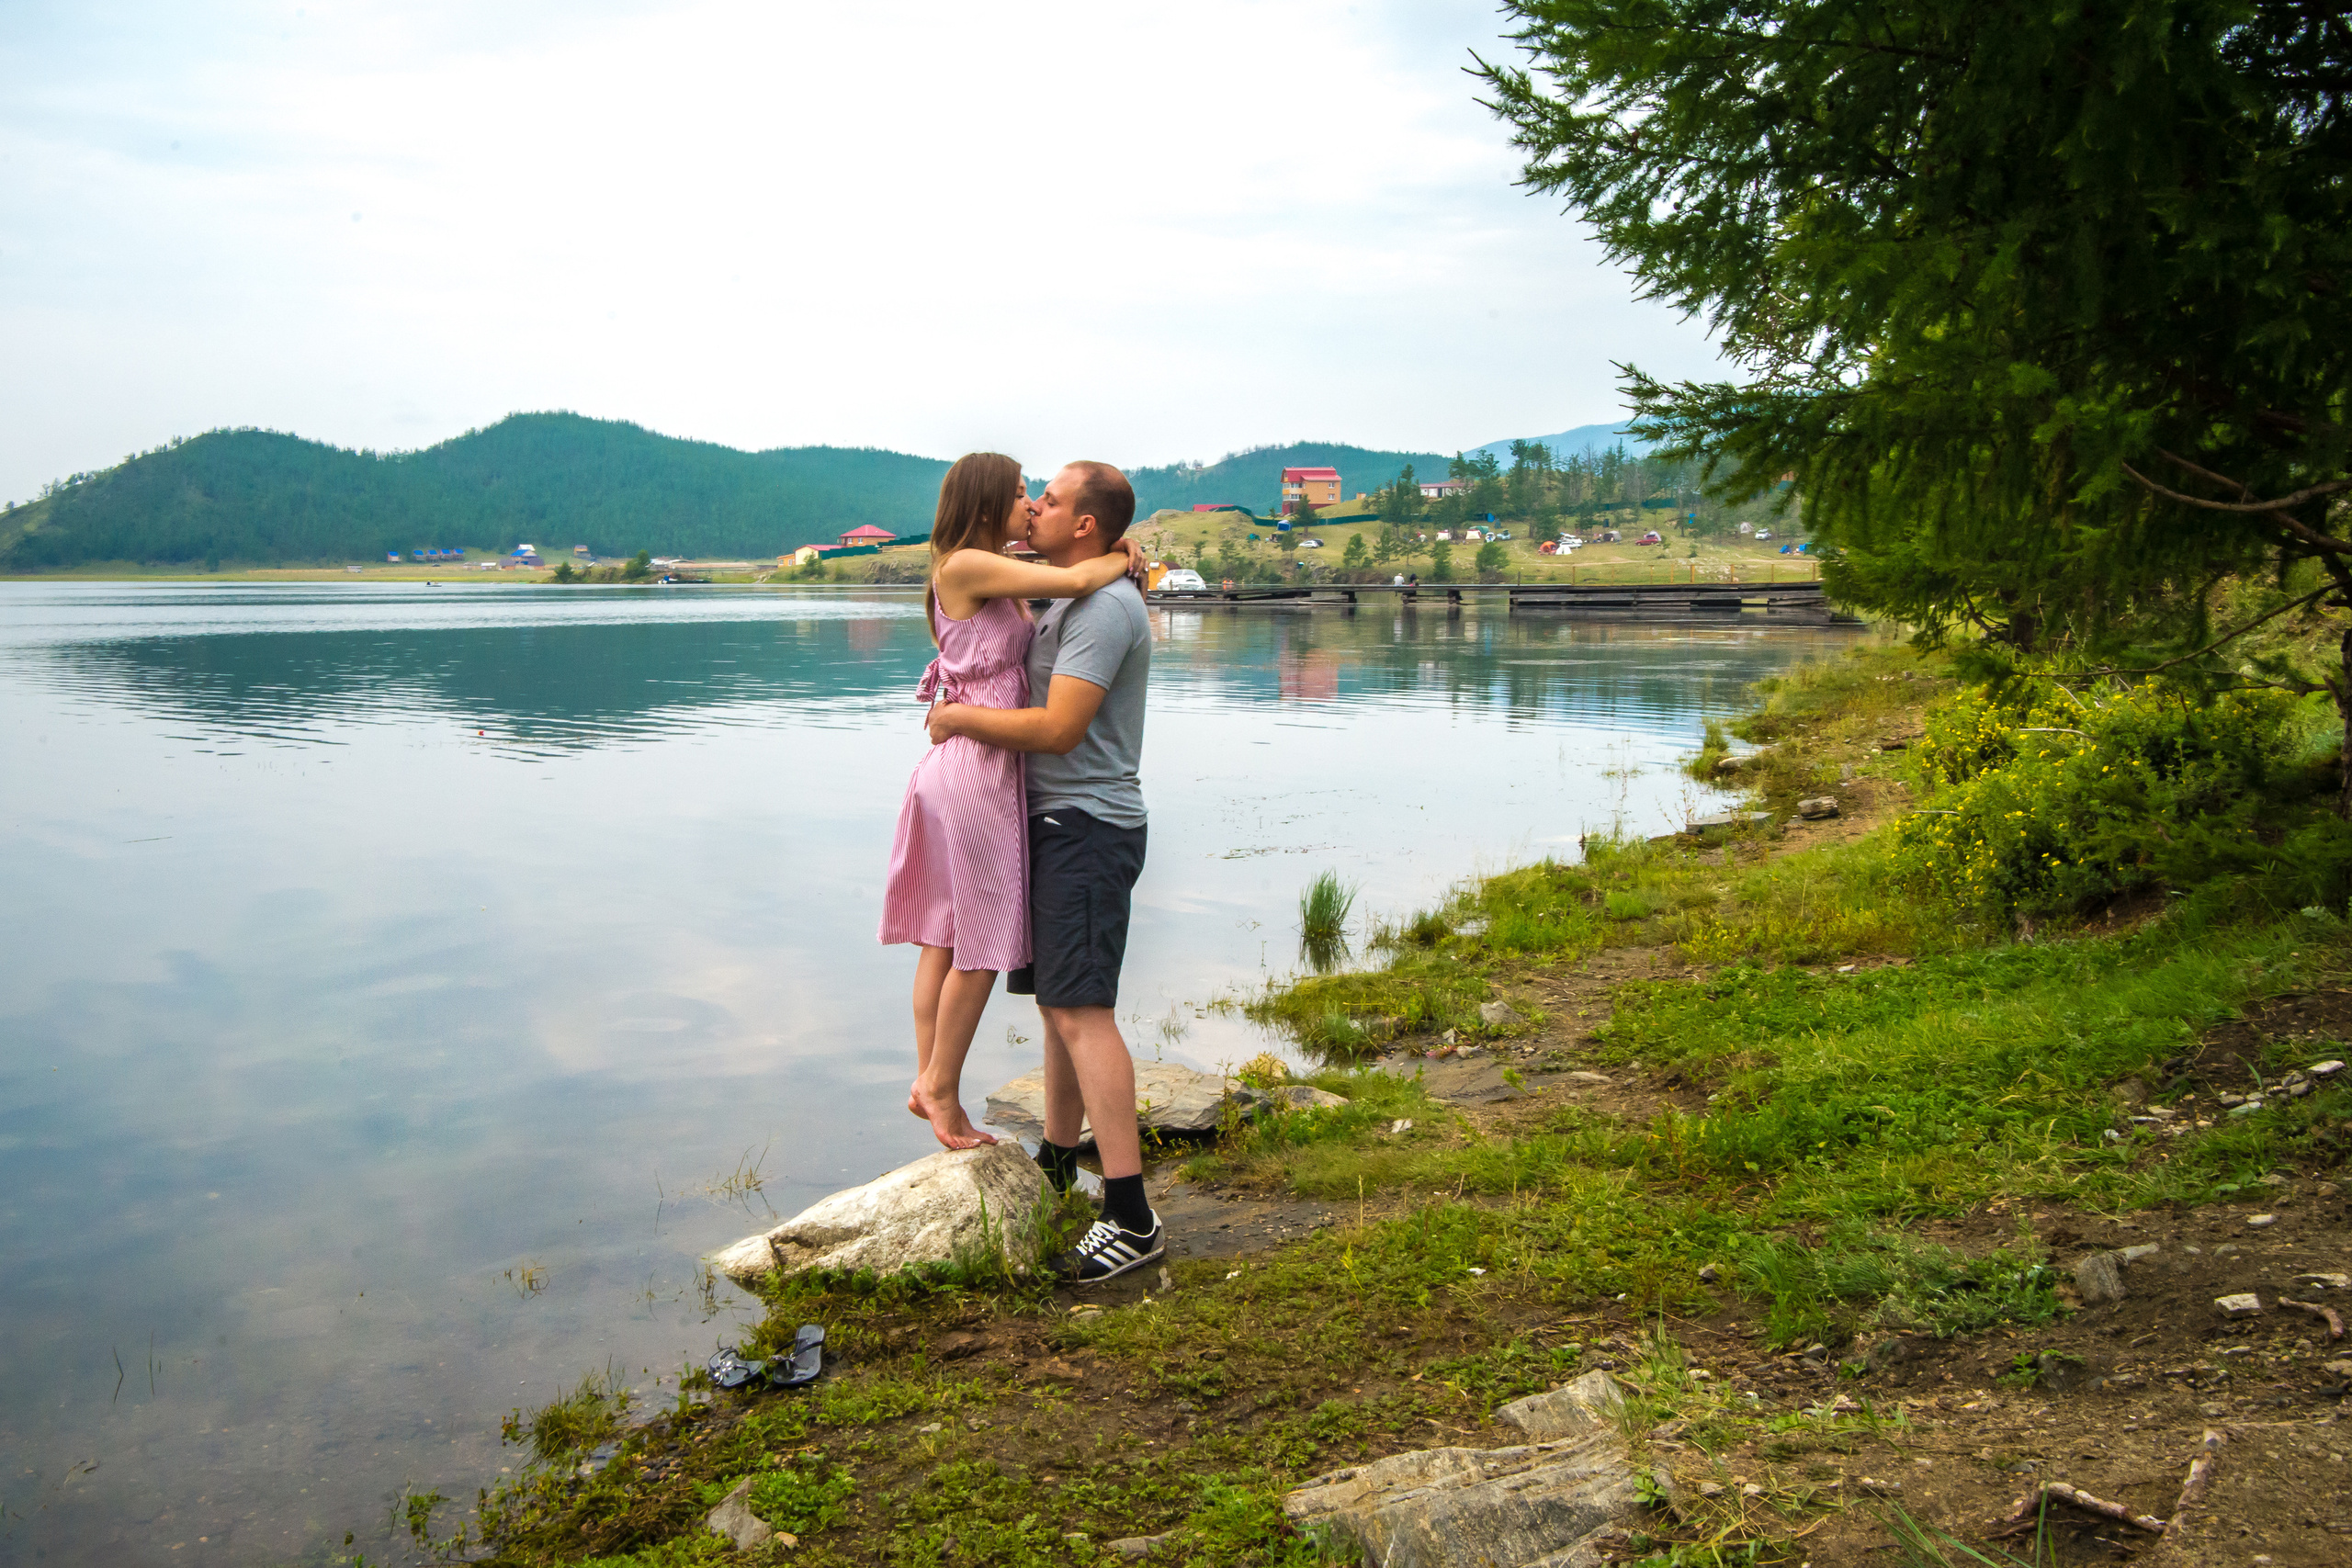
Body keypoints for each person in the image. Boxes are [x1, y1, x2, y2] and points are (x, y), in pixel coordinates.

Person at [928, 461, 1160, 1281]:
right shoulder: (1065, 592)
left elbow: (1060, 729)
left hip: (1086, 825)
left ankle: (1130, 1216)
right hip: (1048, 822)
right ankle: (1060, 1164)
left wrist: (958, 718)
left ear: (1085, 525)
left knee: (1080, 1011)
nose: (1035, 509)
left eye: (1050, 500)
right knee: (1060, 1007)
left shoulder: (1103, 608)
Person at [878, 453, 1142, 1151]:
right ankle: (939, 1086)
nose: (1031, 505)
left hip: (972, 763)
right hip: (976, 766)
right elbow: (1078, 577)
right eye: (1023, 493)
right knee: (983, 940)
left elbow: (1068, 565)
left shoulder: (989, 563)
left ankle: (931, 1083)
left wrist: (1116, 543)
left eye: (1039, 495)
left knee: (947, 934)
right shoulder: (970, 565)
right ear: (987, 502)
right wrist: (1123, 556)